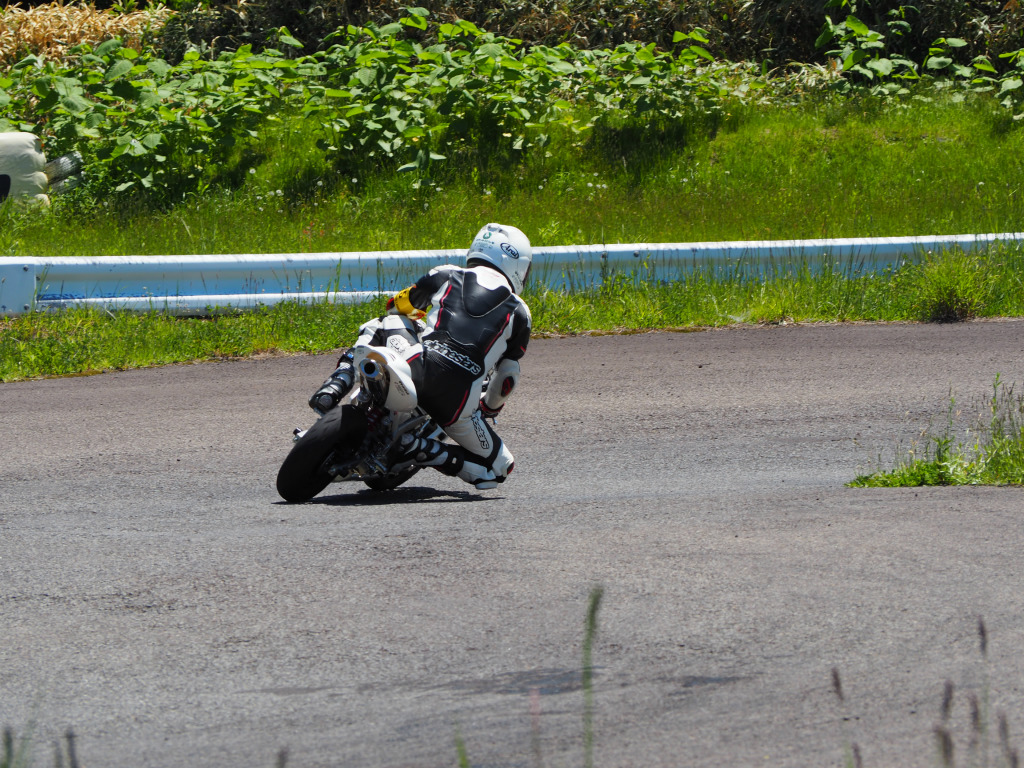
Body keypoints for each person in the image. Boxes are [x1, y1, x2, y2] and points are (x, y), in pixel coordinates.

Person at [308, 222, 533, 490]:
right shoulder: (521, 313)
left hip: (419, 370)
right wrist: (489, 408)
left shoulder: (447, 273)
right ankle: (421, 448)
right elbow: (507, 376)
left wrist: (414, 315)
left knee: (383, 322)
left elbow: (398, 306)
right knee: (500, 468)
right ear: (518, 265)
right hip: (458, 407)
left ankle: (340, 379)